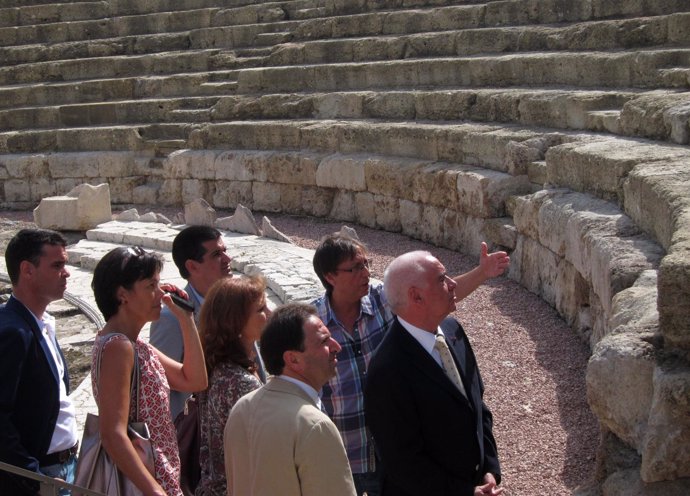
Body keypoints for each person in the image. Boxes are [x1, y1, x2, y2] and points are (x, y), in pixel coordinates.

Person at [311, 233, 509, 496]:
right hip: (352, 453)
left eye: (366, 263)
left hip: (400, 451)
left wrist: (482, 273)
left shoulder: (387, 300)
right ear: (330, 277)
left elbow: (434, 297)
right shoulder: (314, 326)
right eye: (355, 267)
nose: (366, 273)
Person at [364, 251, 503, 496]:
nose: (452, 284)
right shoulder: (387, 370)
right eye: (441, 279)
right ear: (415, 296)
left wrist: (489, 469)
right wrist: (464, 492)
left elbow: (478, 408)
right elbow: (403, 463)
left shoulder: (453, 331)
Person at [91, 246, 208, 496]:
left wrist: (186, 319)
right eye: (151, 286)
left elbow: (195, 380)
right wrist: (155, 491)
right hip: (144, 483)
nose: (161, 294)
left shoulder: (136, 345)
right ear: (123, 294)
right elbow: (112, 432)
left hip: (159, 474)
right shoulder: (118, 347)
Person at [224, 303, 356, 496]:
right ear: (293, 359)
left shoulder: (242, 408)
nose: (337, 346)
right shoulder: (314, 425)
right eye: (324, 341)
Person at [0, 229, 78, 495]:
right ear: (27, 270)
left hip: (64, 468)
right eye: (57, 265)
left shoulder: (42, 324)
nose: (66, 273)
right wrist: (33, 478)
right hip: (41, 476)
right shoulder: (12, 331)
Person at [195, 275, 269, 496]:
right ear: (236, 322)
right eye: (261, 309)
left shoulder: (218, 365)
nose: (269, 315)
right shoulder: (240, 383)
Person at [150, 225, 233, 419]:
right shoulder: (171, 319)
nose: (227, 260)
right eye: (216, 254)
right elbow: (161, 383)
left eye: (225, 251)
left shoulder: (235, 303)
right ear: (192, 266)